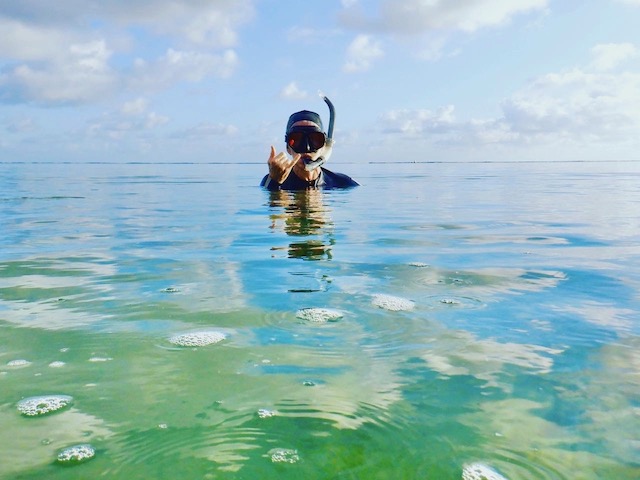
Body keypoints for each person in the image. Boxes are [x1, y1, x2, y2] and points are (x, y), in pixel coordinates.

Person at [260, 109, 358, 190]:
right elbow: (273, 211)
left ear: (324, 146)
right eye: (297, 140)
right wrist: (274, 183)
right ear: (288, 148)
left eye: (315, 140)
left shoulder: (343, 183)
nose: (306, 148)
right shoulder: (272, 181)